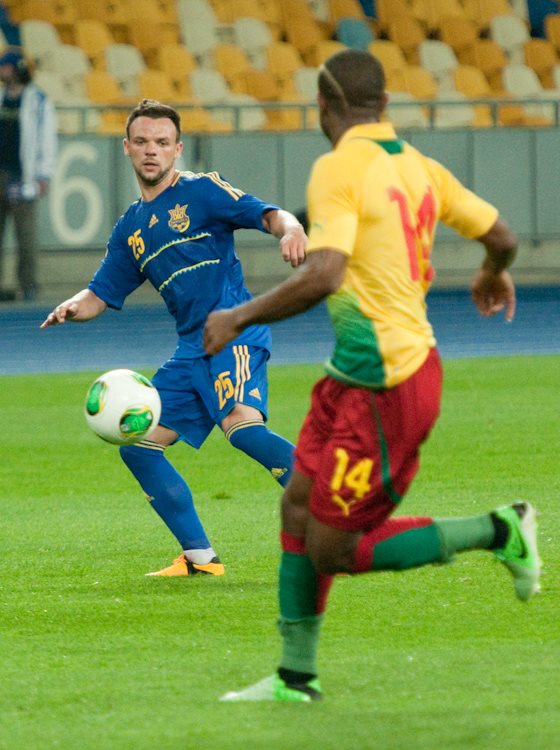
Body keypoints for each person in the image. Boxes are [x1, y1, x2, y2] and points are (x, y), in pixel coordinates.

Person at [203, 50, 542, 702]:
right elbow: (501, 236)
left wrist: (238, 316)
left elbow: (325, 273)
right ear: (384, 104)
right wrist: (492, 272)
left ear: (323, 107)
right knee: (296, 503)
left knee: (334, 548)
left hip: (392, 383)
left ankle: (500, 529)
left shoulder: (338, 166)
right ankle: (295, 678)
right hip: (353, 375)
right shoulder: (420, 166)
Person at [41, 99, 306, 577]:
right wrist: (73, 306)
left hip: (234, 332)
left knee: (243, 429)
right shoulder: (131, 229)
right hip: (191, 352)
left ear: (177, 149)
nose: (152, 150)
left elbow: (267, 213)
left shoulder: (202, 191)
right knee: (137, 446)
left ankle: (336, 512)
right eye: (142, 141)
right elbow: (101, 293)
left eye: (162, 142)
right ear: (127, 147)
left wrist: (292, 228)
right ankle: (201, 559)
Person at [0, 47, 57, 302]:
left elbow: (47, 140)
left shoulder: (38, 100)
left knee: (26, 236)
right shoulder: (1, 97)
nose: (2, 71)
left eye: (6, 67)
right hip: (1, 172)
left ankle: (28, 284)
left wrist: (44, 175)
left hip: (23, 175)